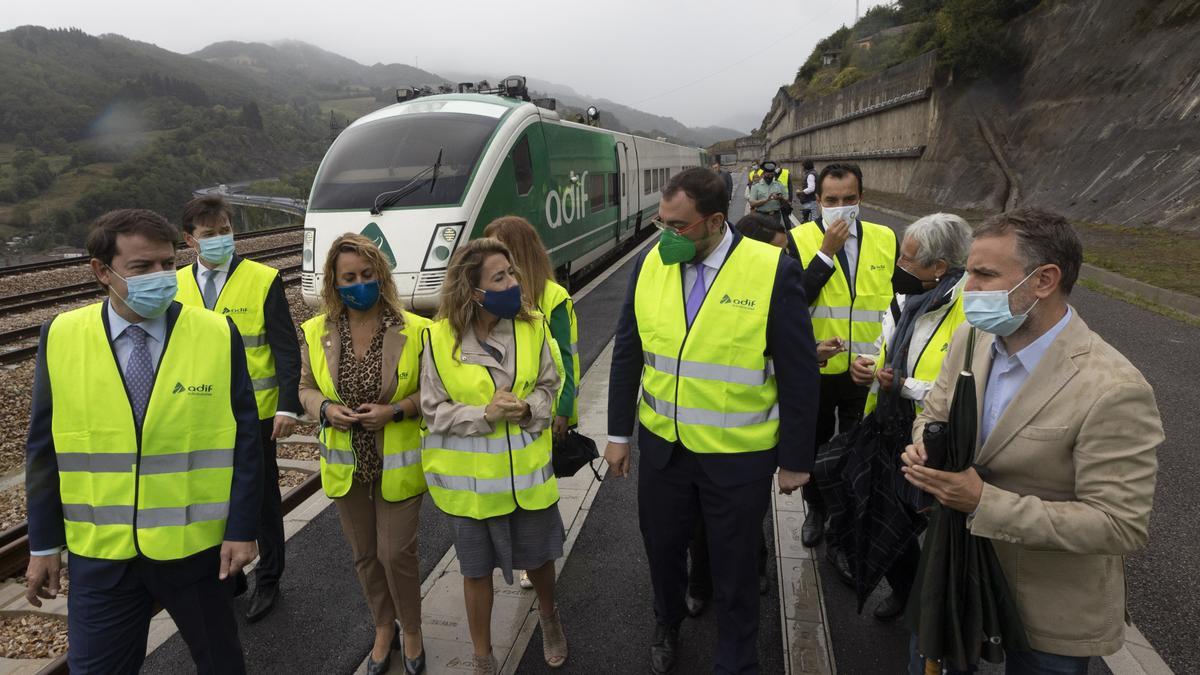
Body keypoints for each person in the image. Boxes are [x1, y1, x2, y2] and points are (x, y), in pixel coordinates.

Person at [901, 209, 1163, 674]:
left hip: (1049, 607)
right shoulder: (971, 339)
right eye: (968, 272)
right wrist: (927, 446)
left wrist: (983, 501)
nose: (967, 288)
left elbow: (1118, 524)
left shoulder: (1114, 388)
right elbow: (934, 413)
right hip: (954, 573)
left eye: (983, 275)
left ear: (1043, 280)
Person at [24, 209, 262, 673]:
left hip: (195, 552)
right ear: (101, 271)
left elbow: (245, 438)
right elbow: (43, 449)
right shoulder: (62, 336)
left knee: (222, 665)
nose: (160, 276)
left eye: (166, 264)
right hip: (101, 557)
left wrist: (241, 528)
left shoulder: (215, 333)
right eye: (141, 267)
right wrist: (44, 544)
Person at [604, 167, 820, 674]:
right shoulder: (651, 264)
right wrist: (618, 435)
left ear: (716, 221)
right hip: (664, 449)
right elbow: (628, 352)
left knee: (736, 565)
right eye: (661, 223)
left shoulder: (771, 269)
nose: (666, 235)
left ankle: (736, 659)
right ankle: (667, 621)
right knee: (661, 549)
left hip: (736, 458)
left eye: (678, 226)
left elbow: (798, 372)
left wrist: (794, 460)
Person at [419, 238, 567, 674]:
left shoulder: (533, 326)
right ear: (472, 290)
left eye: (512, 273)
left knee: (540, 560)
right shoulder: (439, 338)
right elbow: (433, 410)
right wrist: (483, 414)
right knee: (475, 570)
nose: (513, 283)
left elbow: (548, 386)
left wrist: (526, 409)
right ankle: (482, 655)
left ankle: (549, 616)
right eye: (499, 277)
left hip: (526, 476)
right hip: (473, 488)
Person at [298, 233, 429, 675]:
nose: (359, 284)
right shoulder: (317, 333)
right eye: (349, 277)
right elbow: (305, 389)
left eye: (367, 275)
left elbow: (433, 395)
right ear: (333, 284)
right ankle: (382, 627)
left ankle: (411, 629)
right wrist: (326, 409)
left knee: (396, 553)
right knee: (365, 555)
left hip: (398, 461)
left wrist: (395, 410)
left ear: (381, 275)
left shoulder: (415, 330)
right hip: (347, 465)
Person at [174, 195, 301, 622]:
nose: (220, 239)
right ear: (190, 239)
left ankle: (269, 578)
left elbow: (285, 348)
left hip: (258, 412)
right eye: (210, 234)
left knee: (262, 499)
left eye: (225, 230)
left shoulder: (263, 278)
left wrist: (288, 404)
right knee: (213, 496)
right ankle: (233, 574)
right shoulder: (174, 285)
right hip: (201, 413)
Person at [845, 213, 972, 622]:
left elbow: (964, 390)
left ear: (938, 267)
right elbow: (885, 343)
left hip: (935, 440)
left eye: (908, 259)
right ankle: (906, 589)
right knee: (881, 512)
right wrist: (865, 365)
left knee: (934, 531)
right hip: (886, 425)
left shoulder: (971, 311)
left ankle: (932, 612)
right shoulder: (905, 296)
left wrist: (903, 386)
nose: (899, 267)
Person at [788, 162, 896, 550]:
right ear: (817, 202)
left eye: (849, 199)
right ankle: (815, 509)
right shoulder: (798, 238)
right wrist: (825, 254)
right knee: (814, 446)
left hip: (865, 369)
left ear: (861, 199)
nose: (841, 206)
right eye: (831, 200)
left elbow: (898, 301)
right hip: (816, 367)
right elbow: (793, 301)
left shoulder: (885, 238)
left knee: (857, 447)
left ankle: (845, 516)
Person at [482, 215, 580, 590]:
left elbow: (564, 359)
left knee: (538, 484)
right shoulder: (492, 295)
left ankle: (536, 558)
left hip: (541, 410)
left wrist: (562, 411)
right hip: (504, 413)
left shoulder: (552, 297)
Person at [747, 163, 789, 231]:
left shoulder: (779, 184)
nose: (770, 176)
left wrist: (780, 198)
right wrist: (766, 200)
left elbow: (786, 199)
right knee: (764, 237)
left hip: (775, 216)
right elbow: (752, 203)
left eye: (772, 174)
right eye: (768, 174)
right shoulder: (756, 186)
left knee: (775, 237)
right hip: (762, 216)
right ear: (764, 174)